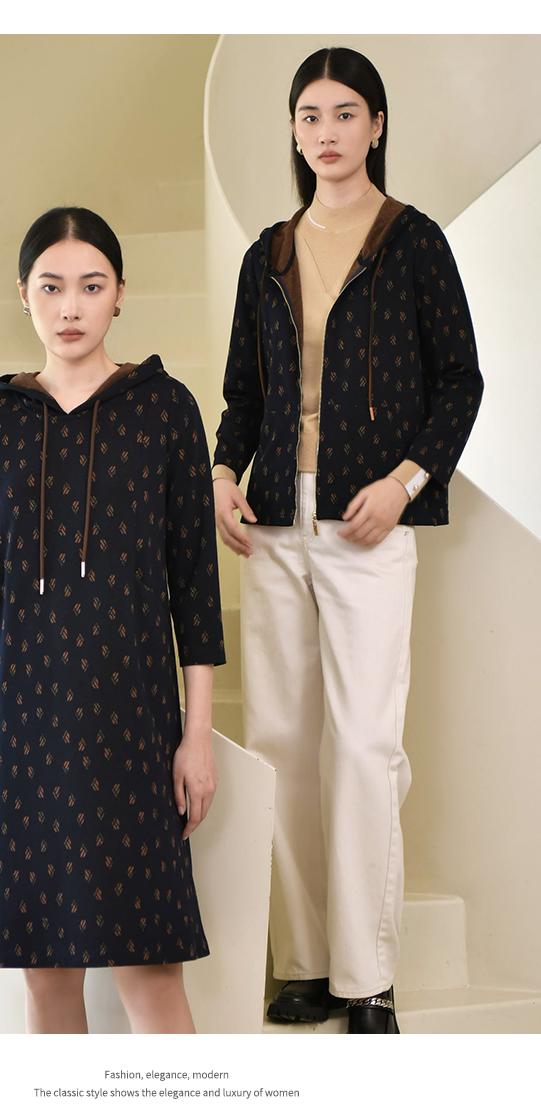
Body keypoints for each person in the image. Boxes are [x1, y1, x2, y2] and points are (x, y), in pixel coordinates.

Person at [212, 47, 483, 1034]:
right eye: (309, 116)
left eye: (344, 113)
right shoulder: (268, 254)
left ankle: (369, 978)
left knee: (365, 743)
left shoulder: (414, 242)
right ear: (294, 132)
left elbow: (461, 381)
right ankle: (306, 963)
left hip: (369, 522)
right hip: (275, 522)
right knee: (283, 742)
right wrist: (221, 475)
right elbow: (245, 393)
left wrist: (404, 483)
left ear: (376, 126)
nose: (325, 132)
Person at [0, 206, 225, 1035]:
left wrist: (196, 735)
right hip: (15, 728)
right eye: (51, 287)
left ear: (121, 293)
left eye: (91, 287)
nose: (71, 307)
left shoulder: (165, 409)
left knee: (152, 974)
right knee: (46, 979)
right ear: (23, 295)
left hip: (131, 726)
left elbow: (195, 586)